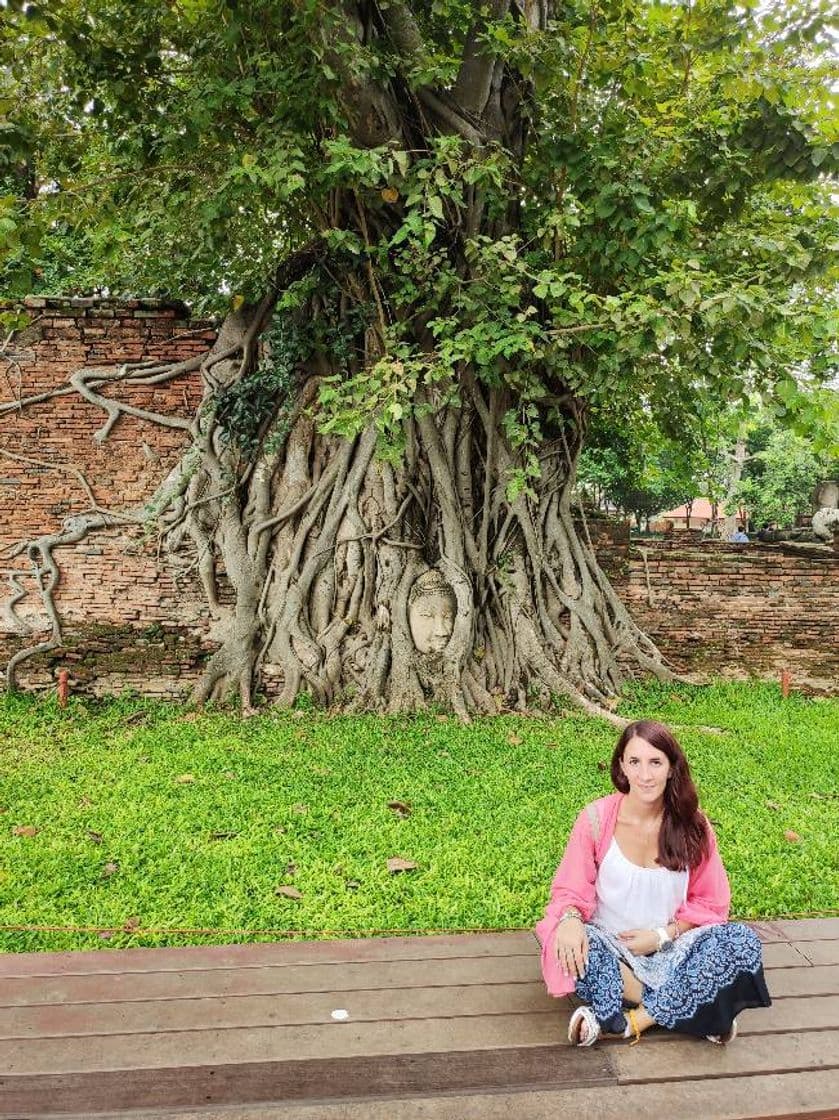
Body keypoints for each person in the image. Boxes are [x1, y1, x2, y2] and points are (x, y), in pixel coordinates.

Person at [535, 720, 771, 1046]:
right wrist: (571, 919)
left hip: (674, 948)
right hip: (612, 947)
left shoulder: (694, 825)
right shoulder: (595, 819)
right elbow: (570, 889)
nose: (645, 775)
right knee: (567, 944)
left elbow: (711, 903)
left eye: (655, 762)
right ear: (621, 766)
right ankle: (697, 1008)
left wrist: (661, 936)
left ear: (672, 768)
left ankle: (632, 1020)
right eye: (635, 762)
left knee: (741, 941)